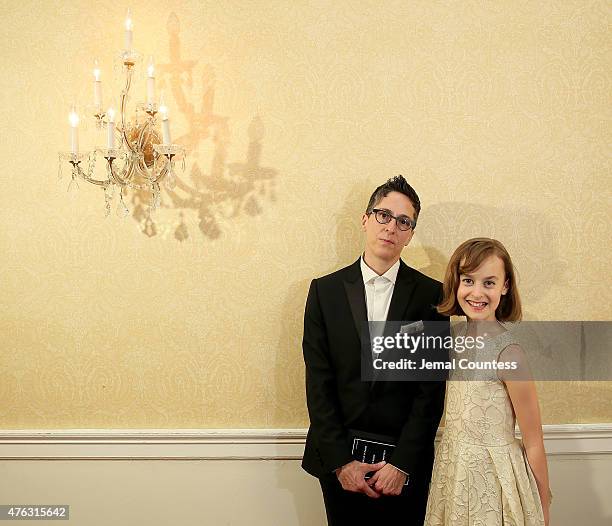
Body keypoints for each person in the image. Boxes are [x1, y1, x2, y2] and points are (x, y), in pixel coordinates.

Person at [301, 175, 448, 525]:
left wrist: (402, 464)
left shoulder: (433, 296)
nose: (391, 227)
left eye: (403, 221)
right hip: (340, 460)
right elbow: (318, 385)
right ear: (365, 220)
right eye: (383, 215)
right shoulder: (325, 292)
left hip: (402, 464)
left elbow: (430, 392)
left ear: (411, 233)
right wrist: (342, 463)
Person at [425, 238, 552, 525]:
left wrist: (542, 511)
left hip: (494, 480)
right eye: (468, 280)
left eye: (489, 283)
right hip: (452, 471)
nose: (477, 292)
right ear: (456, 282)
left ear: (505, 286)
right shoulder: (452, 339)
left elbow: (533, 441)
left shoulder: (509, 353)